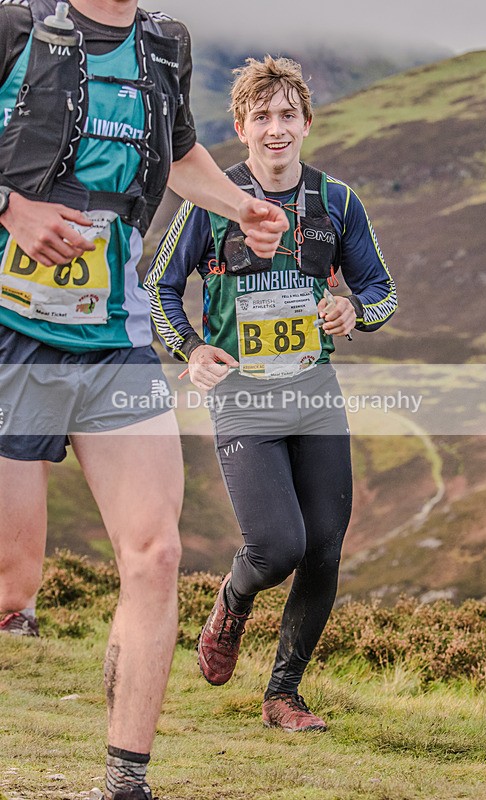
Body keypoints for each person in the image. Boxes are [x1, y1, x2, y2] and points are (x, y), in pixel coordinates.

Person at [0, 2, 287, 798]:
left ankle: (126, 780)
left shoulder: (164, 44)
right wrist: (11, 208)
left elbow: (179, 152)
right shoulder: (16, 28)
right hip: (9, 333)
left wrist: (240, 206)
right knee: (10, 585)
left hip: (113, 339)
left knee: (156, 555)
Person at [145, 55, 397, 733]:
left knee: (323, 549)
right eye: (263, 117)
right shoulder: (213, 199)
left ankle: (284, 694)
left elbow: (381, 291)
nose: (276, 128)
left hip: (315, 391)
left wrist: (355, 312)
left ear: (306, 123)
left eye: (288, 115)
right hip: (242, 397)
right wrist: (192, 348)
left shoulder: (337, 202)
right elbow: (160, 289)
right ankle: (232, 599)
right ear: (242, 126)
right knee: (276, 544)